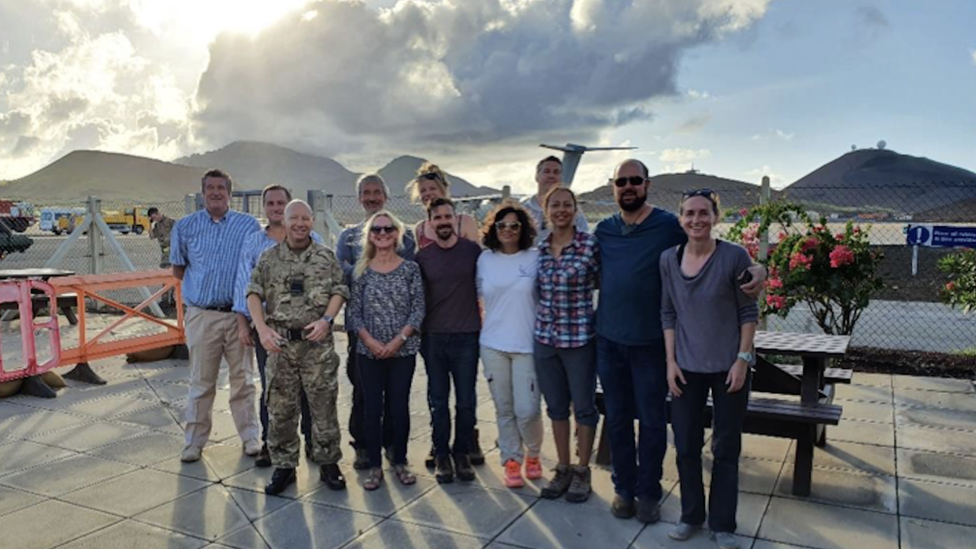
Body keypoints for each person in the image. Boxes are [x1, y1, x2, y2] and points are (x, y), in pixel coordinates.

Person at [594, 160, 765, 523]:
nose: (628, 186)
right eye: (620, 181)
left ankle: (649, 492)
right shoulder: (603, 230)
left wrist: (760, 270)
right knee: (619, 420)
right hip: (609, 341)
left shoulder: (668, 226)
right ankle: (624, 489)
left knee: (654, 424)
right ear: (613, 187)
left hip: (651, 345)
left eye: (634, 180)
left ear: (647, 185)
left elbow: (712, 243)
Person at [660, 189, 758, 549]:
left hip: (729, 369)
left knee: (725, 448)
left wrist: (742, 360)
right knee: (685, 446)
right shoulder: (668, 260)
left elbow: (749, 312)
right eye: (689, 214)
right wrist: (670, 362)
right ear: (680, 218)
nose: (696, 220)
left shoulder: (734, 257)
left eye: (704, 213)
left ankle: (723, 524)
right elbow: (667, 313)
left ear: (716, 216)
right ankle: (690, 515)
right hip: (686, 369)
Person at [247, 199, 349, 495]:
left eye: (306, 218)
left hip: (316, 346)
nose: (300, 223)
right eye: (295, 218)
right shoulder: (269, 259)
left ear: (312, 222)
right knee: (280, 409)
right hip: (280, 346)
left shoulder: (325, 257)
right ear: (286, 221)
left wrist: (327, 320)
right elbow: (253, 293)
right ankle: (284, 467)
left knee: (323, 406)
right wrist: (262, 328)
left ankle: (329, 463)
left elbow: (339, 290)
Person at [170, 169, 261, 463]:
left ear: (230, 193)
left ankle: (250, 437)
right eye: (210, 188)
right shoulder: (185, 227)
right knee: (201, 381)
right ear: (202, 192)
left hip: (238, 316)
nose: (216, 192)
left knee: (243, 380)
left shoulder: (248, 226)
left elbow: (255, 267)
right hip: (203, 315)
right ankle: (194, 442)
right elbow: (178, 269)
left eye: (221, 187)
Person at [233, 184, 323, 467]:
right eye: (269, 203)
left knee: (309, 388)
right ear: (265, 208)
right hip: (269, 330)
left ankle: (312, 442)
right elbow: (243, 287)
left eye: (280, 203)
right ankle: (272, 445)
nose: (274, 208)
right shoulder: (252, 242)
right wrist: (244, 324)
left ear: (288, 208)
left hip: (306, 330)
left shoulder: (313, 238)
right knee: (273, 389)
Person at [336, 174, 416, 470]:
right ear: (359, 198)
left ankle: (394, 446)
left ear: (386, 196)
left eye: (376, 192)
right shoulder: (347, 237)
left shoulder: (405, 236)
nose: (371, 197)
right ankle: (363, 446)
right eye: (366, 193)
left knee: (396, 393)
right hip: (361, 330)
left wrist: (360, 269)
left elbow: (406, 274)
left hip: (398, 330)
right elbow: (341, 275)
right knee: (363, 391)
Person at [347, 211, 425, 490]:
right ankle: (375, 466)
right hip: (369, 353)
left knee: (398, 406)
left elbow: (418, 310)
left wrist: (397, 341)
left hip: (402, 352)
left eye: (388, 228)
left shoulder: (410, 270)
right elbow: (354, 313)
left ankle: (400, 461)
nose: (382, 233)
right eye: (376, 229)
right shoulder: (361, 271)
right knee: (372, 408)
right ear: (369, 235)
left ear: (397, 233)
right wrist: (370, 341)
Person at [534, 186, 600, 502]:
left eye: (567, 205)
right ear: (547, 211)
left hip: (580, 340)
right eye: (555, 205)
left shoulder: (589, 245)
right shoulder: (539, 249)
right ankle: (562, 467)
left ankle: (582, 471)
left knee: (584, 407)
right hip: (545, 340)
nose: (561, 210)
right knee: (556, 407)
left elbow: (602, 281)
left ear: (575, 209)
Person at [476, 201, 543, 488]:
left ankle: (534, 453)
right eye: (502, 225)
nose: (508, 230)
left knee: (527, 409)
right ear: (494, 228)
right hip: (493, 344)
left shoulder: (535, 257)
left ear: (523, 229)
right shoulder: (485, 259)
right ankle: (511, 459)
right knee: (504, 408)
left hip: (527, 345)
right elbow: (479, 298)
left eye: (514, 225)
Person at [415, 197, 482, 484]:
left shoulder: (473, 252)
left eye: (447, 216)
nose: (443, 221)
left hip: (467, 336)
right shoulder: (422, 258)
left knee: (466, 402)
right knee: (438, 401)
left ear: (456, 220)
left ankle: (462, 453)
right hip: (433, 339)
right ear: (430, 223)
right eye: (437, 218)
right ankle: (441, 453)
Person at [408, 163, 480, 248]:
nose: (428, 193)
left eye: (432, 188)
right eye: (423, 191)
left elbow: (476, 253)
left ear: (444, 190)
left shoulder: (465, 222)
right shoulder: (420, 229)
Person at [521, 156, 588, 245]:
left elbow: (585, 237)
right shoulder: (524, 210)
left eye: (556, 172)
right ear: (537, 176)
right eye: (546, 171)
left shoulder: (573, 212)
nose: (551, 176)